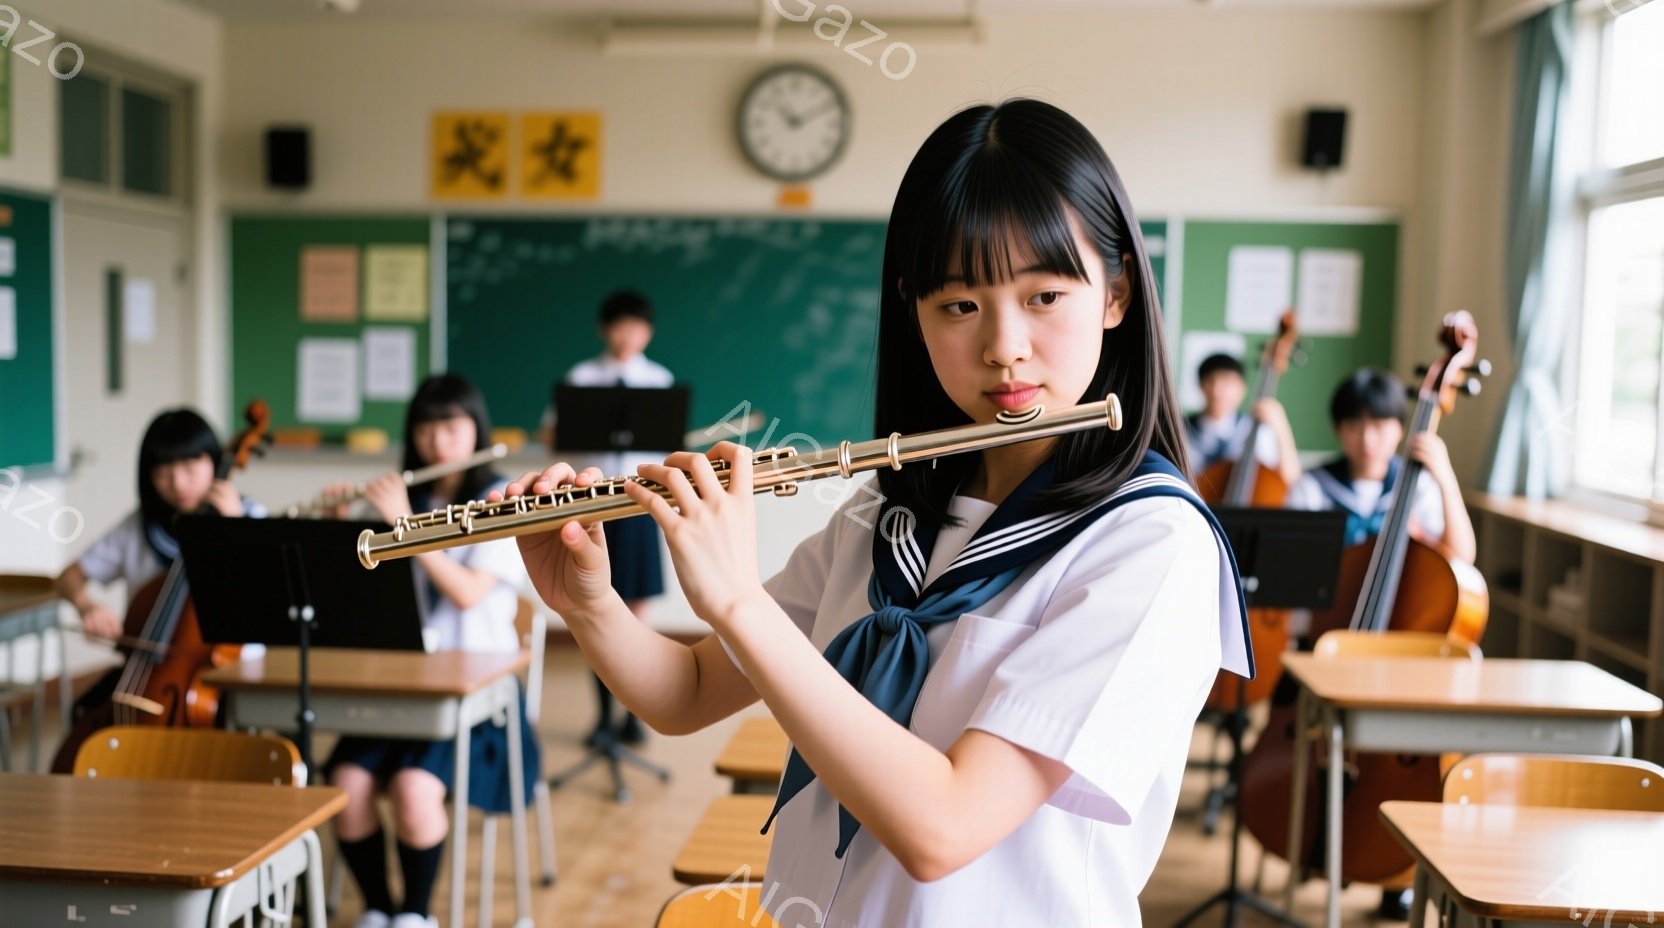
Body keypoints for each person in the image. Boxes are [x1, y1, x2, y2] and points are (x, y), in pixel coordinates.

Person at [501, 99, 1250, 925]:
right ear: (915, 313)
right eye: (959, 305)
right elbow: (686, 692)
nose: (1004, 345)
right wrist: (589, 603)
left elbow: (944, 826)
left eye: (1043, 296)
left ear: (1114, 295)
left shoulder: (1152, 543)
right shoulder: (887, 513)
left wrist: (740, 601)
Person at [325, 373, 539, 928]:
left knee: (414, 790)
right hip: (400, 688)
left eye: (451, 426)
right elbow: (355, 599)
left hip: (478, 696)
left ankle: (415, 915)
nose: (437, 441)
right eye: (425, 427)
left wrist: (403, 526)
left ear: (475, 430)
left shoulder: (503, 500)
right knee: (345, 784)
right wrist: (335, 528)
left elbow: (467, 594)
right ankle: (377, 907)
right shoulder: (404, 499)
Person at [1283, 368, 1476, 919]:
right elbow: (1294, 578)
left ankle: (1395, 870)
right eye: (1354, 425)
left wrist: (1442, 475)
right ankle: (1325, 848)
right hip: (1329, 651)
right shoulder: (1313, 488)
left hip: (1404, 661)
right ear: (1340, 430)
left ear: (1398, 428)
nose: (1368, 438)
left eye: (1381, 424)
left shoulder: (1414, 488)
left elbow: (1462, 560)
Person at [53, 409, 262, 735]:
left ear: (216, 464)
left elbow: (265, 596)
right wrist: (86, 605)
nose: (178, 484)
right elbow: (68, 577)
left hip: (231, 679)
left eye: (190, 469)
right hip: (144, 674)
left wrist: (234, 530)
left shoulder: (249, 517)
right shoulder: (138, 527)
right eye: (163, 473)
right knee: (82, 716)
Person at [541, 289, 674, 747]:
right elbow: (550, 435)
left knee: (636, 614)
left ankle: (635, 714)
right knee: (594, 612)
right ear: (604, 329)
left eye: (637, 326)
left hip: (637, 504)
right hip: (592, 505)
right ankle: (601, 717)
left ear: (648, 332)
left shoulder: (659, 380)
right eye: (619, 325)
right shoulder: (581, 377)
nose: (627, 335)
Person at [1184, 352, 1301, 487]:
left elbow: (1292, 481)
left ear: (1242, 389)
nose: (1217, 391)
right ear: (1200, 386)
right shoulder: (1181, 430)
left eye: (1227, 382)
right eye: (1211, 381)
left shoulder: (1257, 431)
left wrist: (1281, 428)